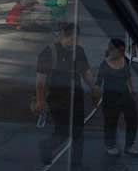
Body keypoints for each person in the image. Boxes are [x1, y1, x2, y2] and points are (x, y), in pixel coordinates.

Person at [35, 23, 101, 168]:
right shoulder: (48, 52)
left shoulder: (78, 51)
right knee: (63, 130)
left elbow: (86, 73)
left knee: (78, 132)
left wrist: (94, 88)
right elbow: (40, 81)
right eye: (70, 37)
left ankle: (76, 164)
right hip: (57, 98)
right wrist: (40, 101)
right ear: (62, 36)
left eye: (76, 38)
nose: (73, 41)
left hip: (76, 97)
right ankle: (47, 146)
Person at [98, 38, 138, 156]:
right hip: (110, 97)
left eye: (123, 50)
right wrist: (96, 95)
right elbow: (98, 82)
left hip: (125, 95)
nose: (122, 53)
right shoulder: (104, 65)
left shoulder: (125, 60)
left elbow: (128, 75)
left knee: (132, 119)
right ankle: (110, 145)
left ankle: (129, 145)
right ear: (113, 50)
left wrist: (132, 89)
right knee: (111, 122)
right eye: (120, 50)